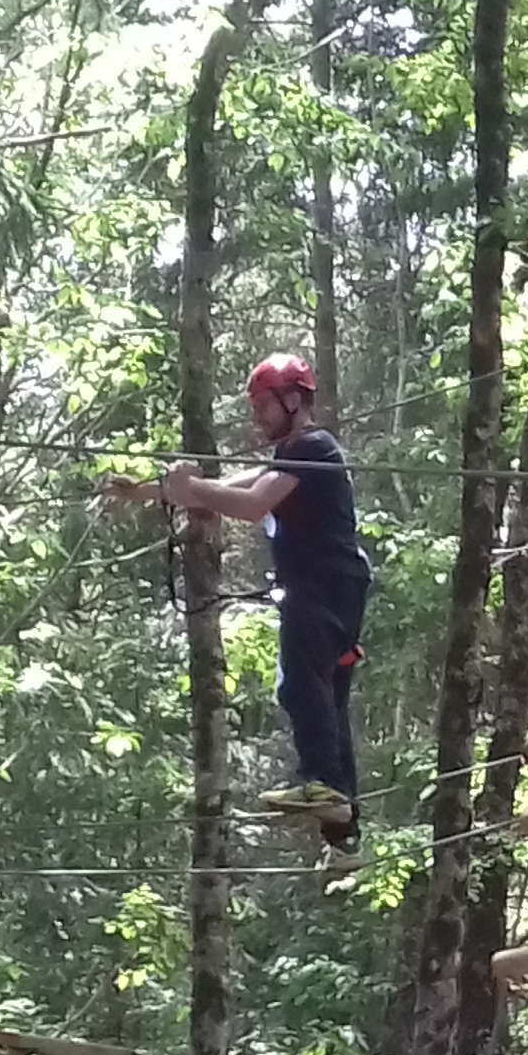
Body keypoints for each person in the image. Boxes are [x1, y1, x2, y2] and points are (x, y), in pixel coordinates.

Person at [102, 352, 370, 849]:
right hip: (335, 585)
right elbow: (222, 489)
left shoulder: (312, 446)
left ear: (293, 401)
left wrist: (188, 487)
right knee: (324, 694)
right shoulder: (293, 455)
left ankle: (325, 785)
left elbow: (249, 505)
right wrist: (148, 492)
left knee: (301, 683)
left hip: (322, 585)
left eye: (263, 405)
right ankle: (342, 826)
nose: (256, 417)